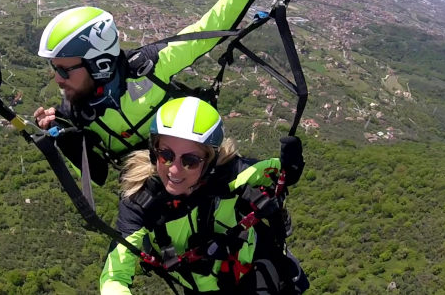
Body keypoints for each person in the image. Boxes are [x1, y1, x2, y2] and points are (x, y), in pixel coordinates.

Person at [34, 0, 291, 185]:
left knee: (257, 182)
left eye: (64, 69)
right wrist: (66, 143)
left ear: (99, 64)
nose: (58, 79)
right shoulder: (75, 114)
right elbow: (95, 176)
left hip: (192, 156)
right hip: (150, 179)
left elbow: (212, 27)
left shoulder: (149, 66)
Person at [100, 97, 309, 294]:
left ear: (209, 160)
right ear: (154, 152)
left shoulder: (230, 173)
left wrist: (292, 168)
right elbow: (115, 274)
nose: (174, 170)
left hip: (254, 266)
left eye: (190, 161)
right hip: (200, 286)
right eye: (166, 156)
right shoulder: (141, 201)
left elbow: (278, 173)